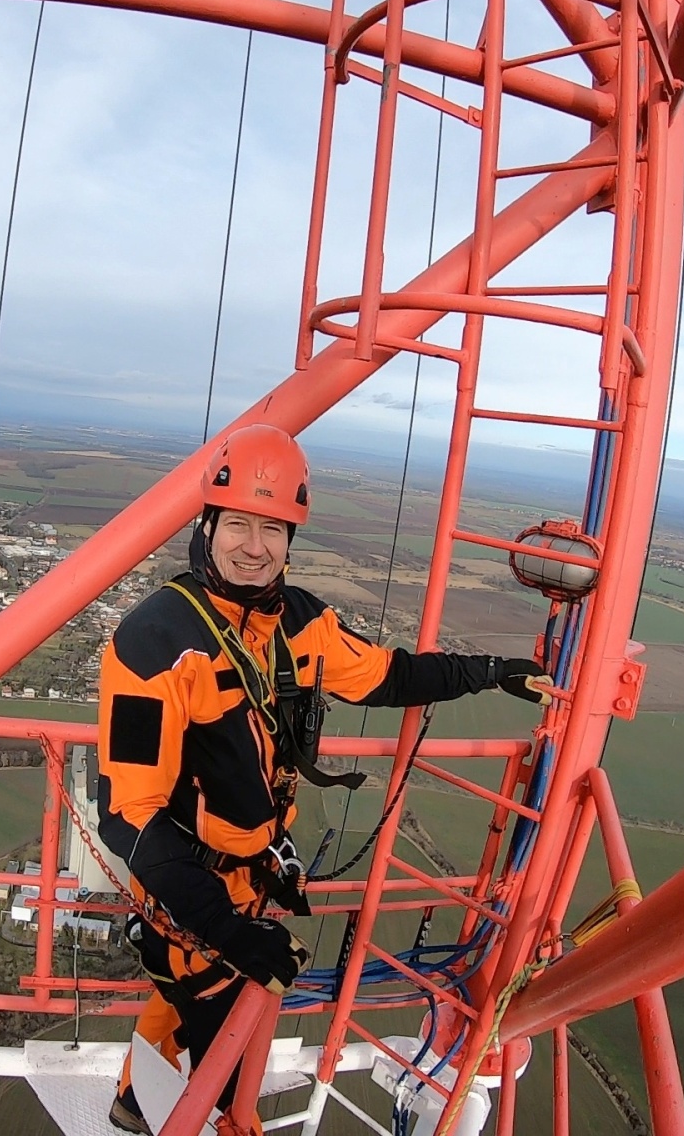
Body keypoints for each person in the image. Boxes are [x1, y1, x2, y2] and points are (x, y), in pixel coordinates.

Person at [96, 424, 550, 1134]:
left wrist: (489, 672)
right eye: (239, 524)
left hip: (254, 871)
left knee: (187, 1000)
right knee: (224, 1058)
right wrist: (226, 929)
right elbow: (129, 817)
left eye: (273, 528)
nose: (255, 546)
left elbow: (391, 676)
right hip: (189, 886)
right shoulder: (154, 645)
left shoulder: (301, 623)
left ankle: (131, 1098)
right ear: (207, 525)